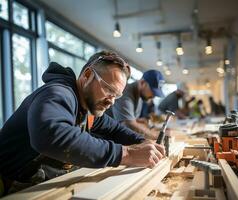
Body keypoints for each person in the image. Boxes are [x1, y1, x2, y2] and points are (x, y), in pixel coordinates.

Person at [0, 51, 165, 193]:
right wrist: (128, 154)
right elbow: (51, 136)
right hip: (11, 183)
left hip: (39, 183)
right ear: (87, 76)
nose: (111, 102)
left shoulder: (87, 107)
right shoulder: (57, 93)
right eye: (108, 89)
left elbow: (115, 129)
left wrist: (143, 142)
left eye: (116, 95)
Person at [106, 70, 165, 140]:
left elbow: (128, 120)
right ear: (142, 82)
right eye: (153, 91)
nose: (153, 96)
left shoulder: (139, 95)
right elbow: (130, 124)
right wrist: (157, 137)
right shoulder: (126, 94)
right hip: (106, 138)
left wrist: (137, 120)